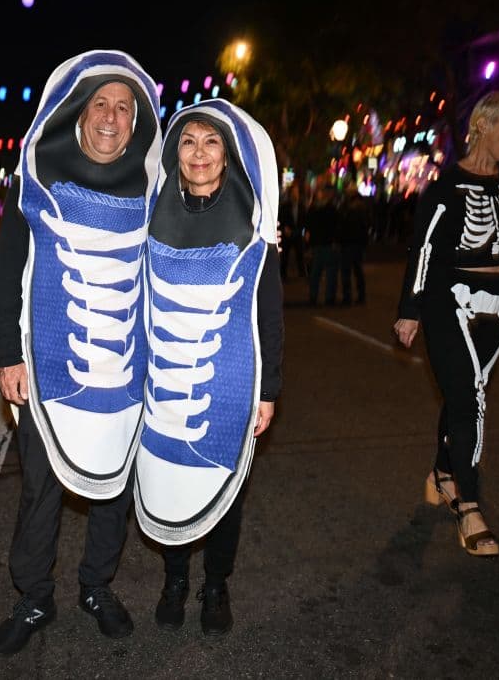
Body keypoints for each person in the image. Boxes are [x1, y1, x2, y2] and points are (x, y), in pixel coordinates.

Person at [0, 50, 161, 656]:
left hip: (126, 368)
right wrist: (9, 352)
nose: (111, 117)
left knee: (112, 487)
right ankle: (33, 595)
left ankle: (96, 586)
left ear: (137, 121)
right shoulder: (38, 175)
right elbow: (8, 270)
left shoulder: (153, 187)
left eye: (123, 107)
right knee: (40, 486)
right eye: (100, 105)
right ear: (79, 115)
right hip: (49, 365)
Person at [133, 100, 283, 636]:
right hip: (165, 376)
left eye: (211, 141)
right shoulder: (150, 211)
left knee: (226, 484)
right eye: (189, 141)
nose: (199, 152)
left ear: (227, 153)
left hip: (229, 377)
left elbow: (267, 309)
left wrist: (268, 389)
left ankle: (216, 583)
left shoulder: (255, 218)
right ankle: (175, 578)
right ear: (176, 152)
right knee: (167, 474)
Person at [394, 90, 499, 557]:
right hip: (450, 303)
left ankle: (442, 474)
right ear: (484, 124)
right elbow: (424, 250)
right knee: (469, 398)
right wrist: (410, 310)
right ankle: (469, 504)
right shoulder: (446, 188)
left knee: (464, 393)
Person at [305, 185, 340, 305]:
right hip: (324, 244)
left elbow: (309, 227)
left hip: (321, 244)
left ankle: (315, 296)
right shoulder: (330, 209)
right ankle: (326, 297)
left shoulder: (315, 209)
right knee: (324, 273)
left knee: (317, 273)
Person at [337, 182, 370, 305]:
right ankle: (356, 296)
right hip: (352, 242)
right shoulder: (354, 205)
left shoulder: (352, 206)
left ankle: (351, 296)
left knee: (352, 270)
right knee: (355, 270)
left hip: (352, 241)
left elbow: (362, 224)